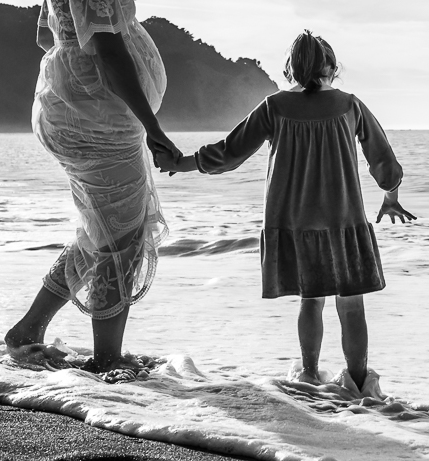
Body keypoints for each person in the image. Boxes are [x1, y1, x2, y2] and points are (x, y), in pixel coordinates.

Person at [5, 0, 181, 374]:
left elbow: (46, 33)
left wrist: (70, 69)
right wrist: (153, 127)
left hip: (81, 113)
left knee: (101, 232)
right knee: (123, 242)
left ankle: (29, 328)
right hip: (97, 121)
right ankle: (107, 362)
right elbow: (106, 48)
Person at [160, 31, 414, 392]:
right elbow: (382, 158)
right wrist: (390, 195)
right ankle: (360, 388)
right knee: (352, 308)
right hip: (344, 221)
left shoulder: (274, 106)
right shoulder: (350, 105)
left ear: (290, 70)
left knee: (310, 302)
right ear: (332, 67)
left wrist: (184, 163)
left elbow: (231, 152)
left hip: (293, 225)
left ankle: (309, 377)